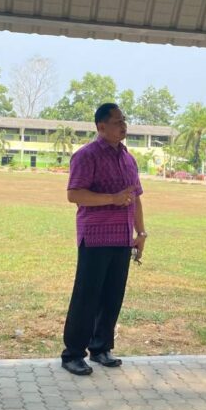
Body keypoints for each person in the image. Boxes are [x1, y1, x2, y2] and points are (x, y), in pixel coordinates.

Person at [61, 103, 145, 376]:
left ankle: (101, 348)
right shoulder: (86, 156)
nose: (124, 126)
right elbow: (74, 194)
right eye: (118, 122)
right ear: (101, 127)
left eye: (124, 121)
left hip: (123, 238)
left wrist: (141, 233)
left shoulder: (128, 158)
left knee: (112, 296)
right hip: (95, 238)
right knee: (86, 297)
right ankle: (73, 353)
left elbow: (136, 197)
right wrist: (112, 199)